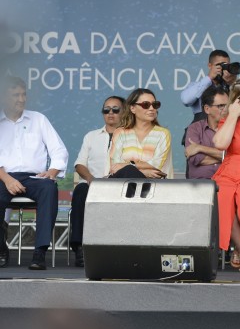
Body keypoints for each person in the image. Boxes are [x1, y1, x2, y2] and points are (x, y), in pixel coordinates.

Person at [0, 76, 68, 270]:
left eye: (24, 94)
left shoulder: (38, 119)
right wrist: (6, 179)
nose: (21, 99)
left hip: (34, 178)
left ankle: (39, 252)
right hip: (3, 176)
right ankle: (0, 248)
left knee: (49, 188)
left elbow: (59, 150)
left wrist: (53, 171)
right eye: (15, 95)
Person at [69, 95, 125, 267]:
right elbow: (79, 164)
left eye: (115, 109)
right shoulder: (91, 136)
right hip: (94, 184)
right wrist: (91, 179)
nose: (110, 113)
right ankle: (80, 248)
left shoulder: (129, 136)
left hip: (120, 186)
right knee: (80, 191)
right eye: (106, 109)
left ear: (124, 112)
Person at [109, 88, 173, 180]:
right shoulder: (120, 133)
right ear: (132, 108)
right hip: (122, 188)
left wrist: (128, 165)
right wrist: (145, 172)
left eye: (155, 105)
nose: (152, 108)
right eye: (146, 105)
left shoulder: (163, 134)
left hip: (155, 189)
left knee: (128, 170)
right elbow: (115, 167)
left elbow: (157, 166)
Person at [180, 49, 238, 120]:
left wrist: (232, 83)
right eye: (220, 65)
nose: (222, 69)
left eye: (226, 66)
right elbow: (186, 100)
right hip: (201, 129)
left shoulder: (231, 86)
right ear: (210, 65)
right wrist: (209, 78)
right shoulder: (197, 85)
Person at [185, 86, 228, 179]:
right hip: (199, 186)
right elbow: (195, 158)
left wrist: (200, 148)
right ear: (207, 109)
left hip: (227, 184)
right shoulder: (194, 128)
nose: (225, 110)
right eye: (221, 106)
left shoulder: (235, 128)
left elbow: (238, 158)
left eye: (227, 105)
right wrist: (225, 158)